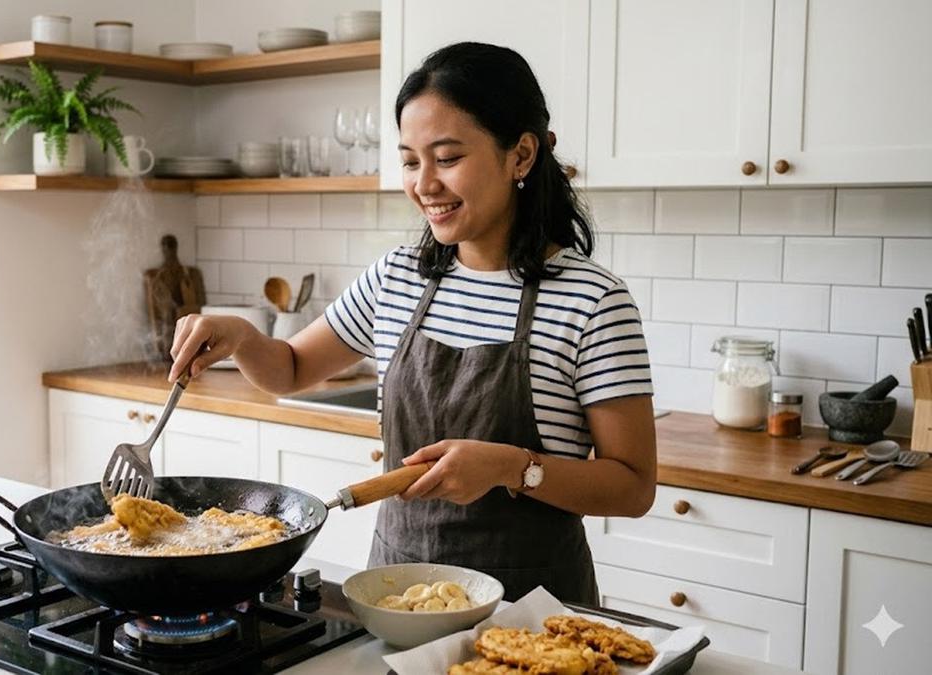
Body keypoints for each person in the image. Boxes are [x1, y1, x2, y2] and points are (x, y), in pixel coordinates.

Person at [168, 42, 656, 605]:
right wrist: (241, 336)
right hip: (398, 599)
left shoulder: (592, 300)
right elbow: (291, 368)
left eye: (447, 158)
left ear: (521, 155)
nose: (424, 184)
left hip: (531, 615)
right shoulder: (397, 277)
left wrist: (511, 467)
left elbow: (633, 486)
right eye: (409, 161)